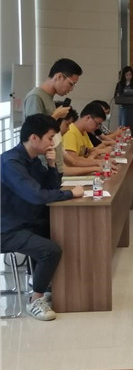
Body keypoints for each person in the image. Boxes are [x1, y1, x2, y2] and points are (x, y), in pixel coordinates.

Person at [1, 114, 84, 321]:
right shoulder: (11, 162)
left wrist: (52, 165)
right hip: (6, 228)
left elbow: (50, 188)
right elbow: (36, 195)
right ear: (34, 138)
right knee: (50, 249)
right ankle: (35, 299)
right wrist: (70, 193)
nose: (52, 143)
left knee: (63, 231)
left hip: (25, 221)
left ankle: (51, 284)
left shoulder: (32, 159)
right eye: (50, 137)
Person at [23, 58, 83, 173]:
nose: (71, 89)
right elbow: (34, 132)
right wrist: (55, 116)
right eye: (71, 84)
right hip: (43, 167)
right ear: (59, 76)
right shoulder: (35, 97)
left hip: (53, 165)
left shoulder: (49, 97)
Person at [62, 102, 106, 168]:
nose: (97, 127)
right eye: (97, 124)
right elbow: (73, 161)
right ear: (88, 118)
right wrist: (94, 160)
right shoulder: (70, 132)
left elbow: (93, 151)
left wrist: (104, 161)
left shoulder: (84, 132)